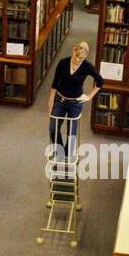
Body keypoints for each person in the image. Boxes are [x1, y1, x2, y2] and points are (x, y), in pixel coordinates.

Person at [46, 41, 104, 178]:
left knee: (71, 133)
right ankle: (59, 151)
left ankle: (66, 156)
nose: (77, 60)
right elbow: (55, 83)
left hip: (75, 103)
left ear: (85, 57)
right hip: (60, 100)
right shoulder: (63, 63)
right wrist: (50, 101)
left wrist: (89, 96)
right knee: (53, 128)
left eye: (81, 58)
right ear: (73, 51)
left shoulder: (87, 66)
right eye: (76, 56)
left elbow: (100, 81)